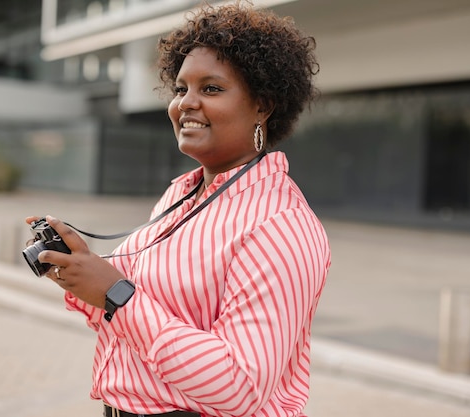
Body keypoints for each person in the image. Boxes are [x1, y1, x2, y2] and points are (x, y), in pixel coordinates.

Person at [26, 2, 330, 416]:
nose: (186, 102)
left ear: (263, 105)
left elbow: (238, 387)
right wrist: (84, 271)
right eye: (181, 88)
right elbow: (136, 316)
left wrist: (117, 295)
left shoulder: (280, 226)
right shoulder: (180, 194)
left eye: (211, 88)